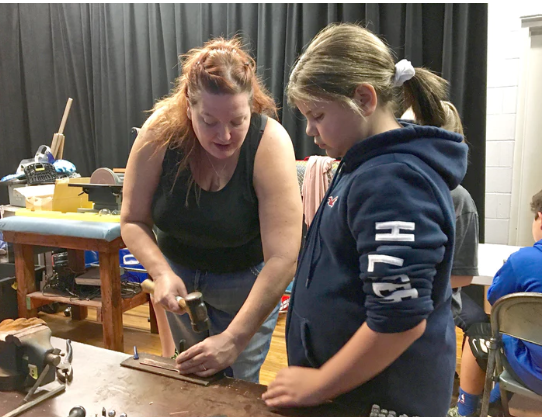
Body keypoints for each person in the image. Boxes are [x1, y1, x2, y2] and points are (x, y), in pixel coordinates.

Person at [262, 23, 468, 416]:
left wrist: (320, 382)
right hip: (352, 392)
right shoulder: (362, 163)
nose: (310, 131)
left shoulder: (394, 181)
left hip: (384, 399)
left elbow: (400, 320)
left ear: (364, 98)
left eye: (318, 115)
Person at [120, 37, 303, 383]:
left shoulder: (269, 143)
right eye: (208, 121)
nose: (224, 135)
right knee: (183, 379)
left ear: (252, 106)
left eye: (237, 121)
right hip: (178, 277)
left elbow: (283, 258)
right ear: (188, 108)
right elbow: (132, 220)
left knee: (236, 385)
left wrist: (234, 340)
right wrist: (160, 273)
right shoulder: (160, 135)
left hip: (247, 285)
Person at [448, 189, 542, 417]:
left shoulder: (523, 261)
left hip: (535, 372)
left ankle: (465, 410)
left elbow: (496, 299)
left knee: (479, 334)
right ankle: (493, 400)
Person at [402, 103, 489, 340]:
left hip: (431, 315)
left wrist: (407, 289)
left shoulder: (459, 200)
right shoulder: (389, 185)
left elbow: (462, 275)